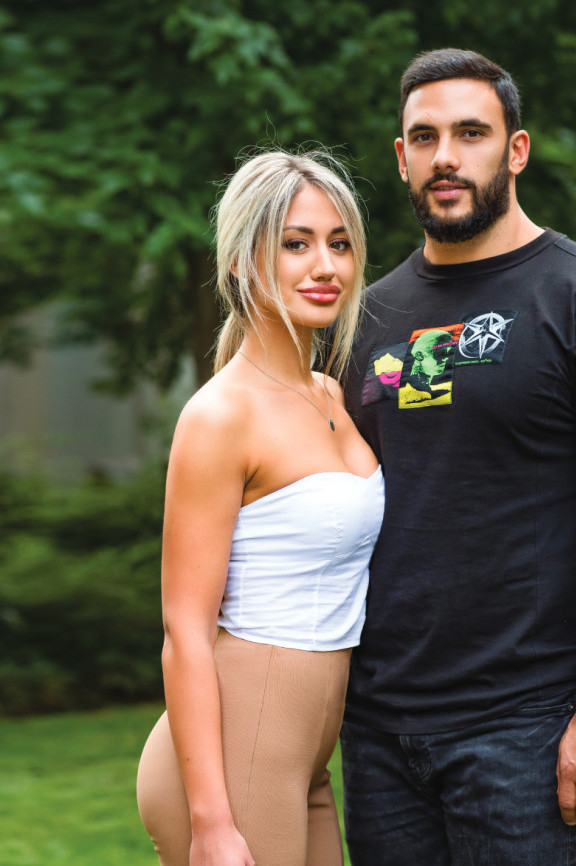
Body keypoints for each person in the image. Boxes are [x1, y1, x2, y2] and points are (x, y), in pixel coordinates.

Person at [339, 49, 576, 866]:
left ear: (516, 149)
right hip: (380, 732)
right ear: (401, 158)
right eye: (424, 138)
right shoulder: (366, 321)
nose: (446, 157)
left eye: (471, 133)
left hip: (526, 730)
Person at [136, 150, 384, 866]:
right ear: (244, 262)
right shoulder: (221, 416)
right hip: (237, 757)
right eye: (296, 244)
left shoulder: (331, 394)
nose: (325, 266)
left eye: (339, 244)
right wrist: (212, 822)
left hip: (306, 754)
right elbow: (185, 629)